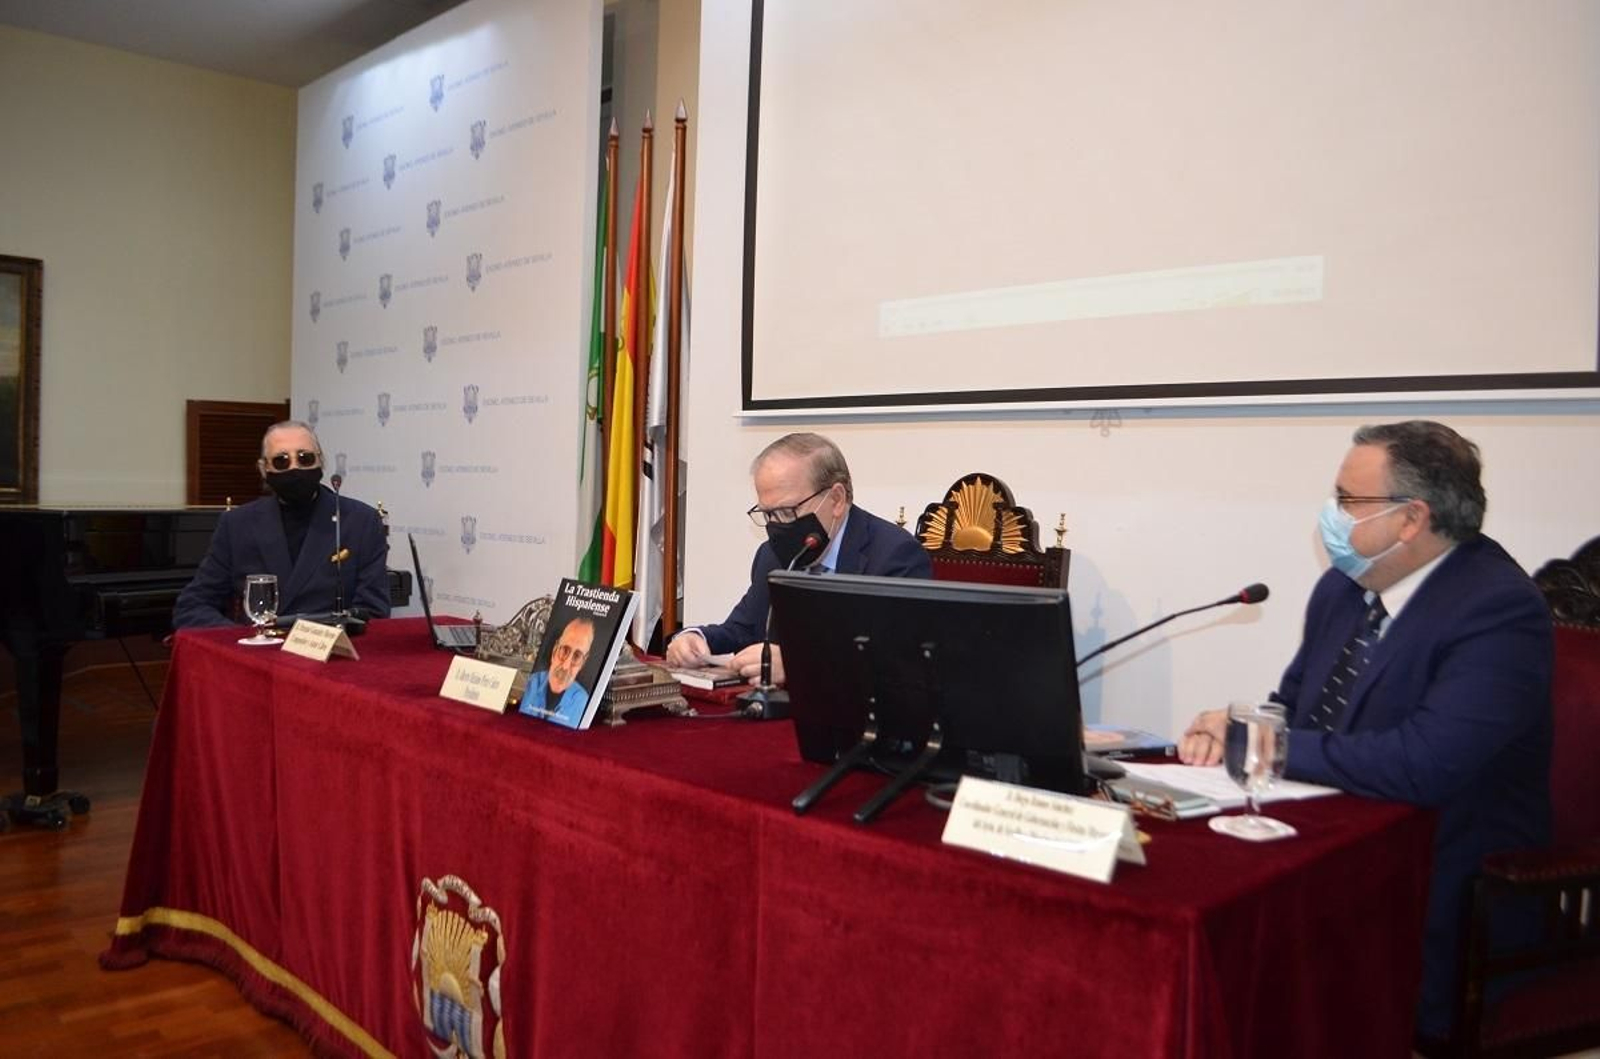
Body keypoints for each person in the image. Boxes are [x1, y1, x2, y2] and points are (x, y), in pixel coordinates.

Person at [1177, 420, 1553, 1045]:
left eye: (1348, 501)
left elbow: (1423, 764)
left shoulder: (1498, 609)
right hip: (1329, 855)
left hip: (1438, 895)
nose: (1332, 515)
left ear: (1412, 518)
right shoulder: (1343, 590)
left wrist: (1265, 744)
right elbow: (1293, 707)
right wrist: (1238, 733)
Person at [664, 432, 932, 685]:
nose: (777, 527)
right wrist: (695, 639)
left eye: (787, 511)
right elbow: (744, 629)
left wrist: (799, 666)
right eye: (768, 514)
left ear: (836, 499)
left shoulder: (894, 556)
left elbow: (897, 663)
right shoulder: (772, 555)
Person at [173, 421, 392, 629]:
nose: (295, 468)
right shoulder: (237, 524)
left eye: (305, 458)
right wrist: (239, 642)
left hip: (331, 655)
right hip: (258, 656)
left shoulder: (361, 521)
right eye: (281, 461)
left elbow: (373, 612)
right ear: (263, 469)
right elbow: (192, 606)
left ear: (321, 461)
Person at [518, 616, 595, 725]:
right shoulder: (528, 684)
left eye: (577, 656)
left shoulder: (583, 703)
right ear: (554, 650)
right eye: (564, 651)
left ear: (583, 663)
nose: (566, 666)